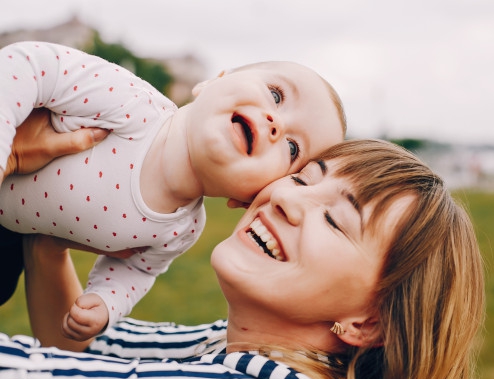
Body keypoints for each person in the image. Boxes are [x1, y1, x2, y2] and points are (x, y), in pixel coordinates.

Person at [0, 118, 485, 379]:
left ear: (368, 321)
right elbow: (85, 344)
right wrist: (49, 230)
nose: (286, 201)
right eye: (302, 177)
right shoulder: (237, 345)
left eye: (336, 221)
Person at [0, 41, 346, 341]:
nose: (276, 123)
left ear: (248, 199)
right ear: (213, 82)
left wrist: (107, 301)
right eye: (275, 95)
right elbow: (30, 64)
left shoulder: (182, 230)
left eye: (292, 149)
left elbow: (137, 270)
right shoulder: (130, 103)